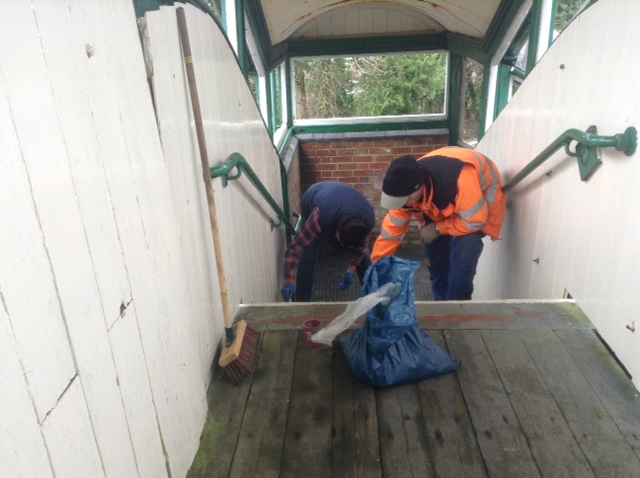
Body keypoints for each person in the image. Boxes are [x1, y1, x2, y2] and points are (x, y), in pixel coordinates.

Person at [371, 147, 507, 300]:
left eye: (402, 201)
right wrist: (377, 270)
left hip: (475, 206)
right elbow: (390, 235)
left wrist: (437, 228)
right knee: (435, 259)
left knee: (464, 253)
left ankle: (457, 308)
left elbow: (475, 221)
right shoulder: (403, 188)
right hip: (446, 201)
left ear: (418, 190)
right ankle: (441, 305)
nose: (401, 206)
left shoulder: (458, 178)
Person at [281, 182, 375, 302]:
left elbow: (360, 249)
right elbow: (295, 248)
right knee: (309, 254)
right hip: (314, 196)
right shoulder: (318, 219)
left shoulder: (367, 222)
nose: (342, 247)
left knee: (364, 257)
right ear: (336, 231)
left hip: (342, 199)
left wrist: (351, 269)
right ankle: (303, 303)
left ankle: (372, 301)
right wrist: (289, 281)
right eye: (341, 242)